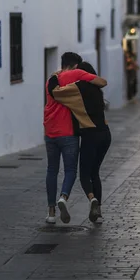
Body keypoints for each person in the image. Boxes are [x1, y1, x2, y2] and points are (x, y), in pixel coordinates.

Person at [43, 52, 107, 225]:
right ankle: (70, 200)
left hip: (55, 131)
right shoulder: (86, 83)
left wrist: (57, 79)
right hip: (85, 133)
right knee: (80, 171)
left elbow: (54, 92)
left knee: (55, 170)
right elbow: (102, 82)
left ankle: (51, 211)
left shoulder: (58, 82)